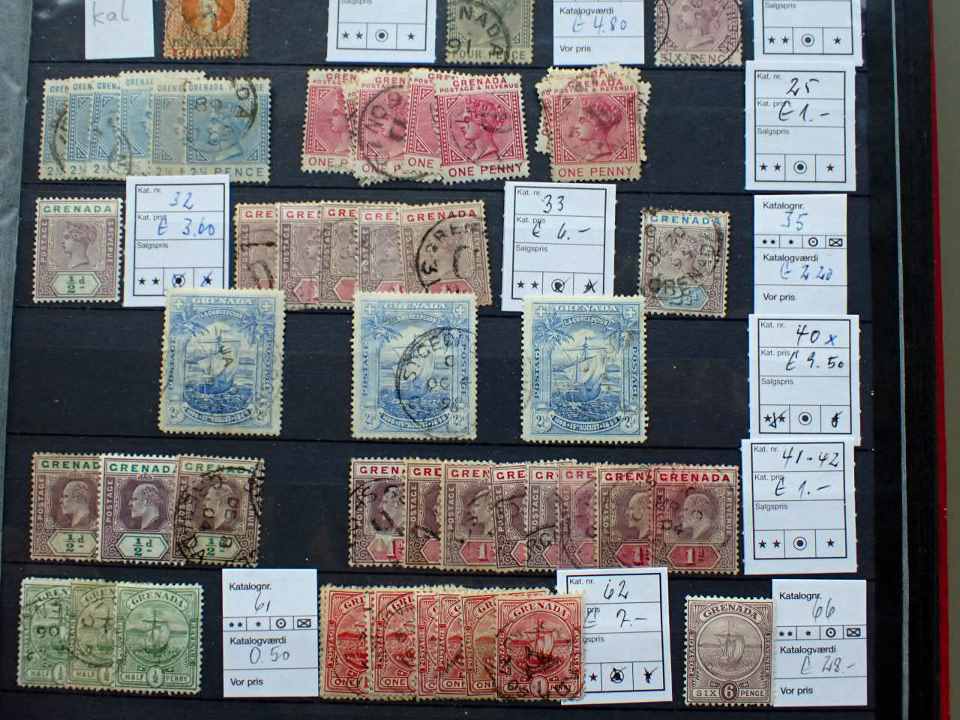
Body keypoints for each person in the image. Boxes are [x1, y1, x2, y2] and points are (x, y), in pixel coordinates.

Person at [571, 96, 624, 162]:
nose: (576, 126)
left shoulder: (606, 157)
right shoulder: (589, 156)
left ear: (596, 124)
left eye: (582, 120)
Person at [456, 97, 509, 163]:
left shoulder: (490, 156)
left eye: (467, 120)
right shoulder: (478, 154)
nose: (461, 125)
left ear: (482, 126)